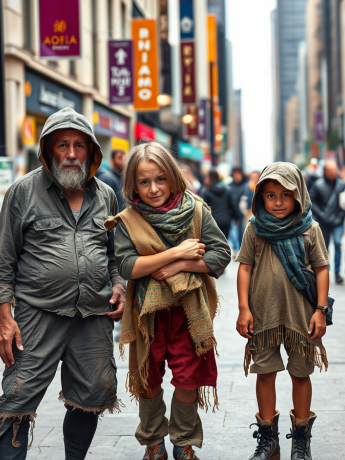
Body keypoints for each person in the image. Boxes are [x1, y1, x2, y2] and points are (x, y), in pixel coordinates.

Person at [0, 108, 126, 459]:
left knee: (91, 394)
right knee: (17, 398)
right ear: (48, 149)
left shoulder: (106, 195)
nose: (72, 153)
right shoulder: (23, 192)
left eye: (79, 145)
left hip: (92, 315)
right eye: (63, 145)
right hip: (35, 315)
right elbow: (2, 260)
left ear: (91, 151)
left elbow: (113, 253)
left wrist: (119, 283)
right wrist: (3, 318)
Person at [107, 142, 231, 460]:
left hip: (189, 312)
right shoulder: (129, 220)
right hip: (146, 313)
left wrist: (178, 266)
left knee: (188, 377)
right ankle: (153, 441)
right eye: (144, 181)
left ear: (173, 176)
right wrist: (178, 251)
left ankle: (183, 441)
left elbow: (220, 255)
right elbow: (128, 266)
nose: (153, 188)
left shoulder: (196, 209)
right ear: (133, 183)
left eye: (160, 179)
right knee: (148, 378)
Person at [236, 162, 329, 460]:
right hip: (263, 317)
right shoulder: (255, 228)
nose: (278, 202)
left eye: (286, 195)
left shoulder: (310, 229)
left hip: (302, 319)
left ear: (299, 196)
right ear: (260, 197)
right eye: (270, 195)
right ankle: (269, 440)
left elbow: (322, 269)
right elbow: (245, 268)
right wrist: (243, 308)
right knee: (265, 373)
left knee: (301, 374)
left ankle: (301, 440)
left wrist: (321, 310)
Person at [309, 160, 345, 284]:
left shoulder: (342, 184)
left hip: (338, 222)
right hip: (323, 222)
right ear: (325, 171)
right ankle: (326, 271)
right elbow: (311, 202)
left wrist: (341, 216)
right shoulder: (318, 185)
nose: (334, 172)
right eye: (331, 170)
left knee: (337, 243)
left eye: (335, 169)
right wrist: (321, 215)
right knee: (324, 248)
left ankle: (337, 272)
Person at [201, 168, 241, 239]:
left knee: (215, 243)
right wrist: (237, 217)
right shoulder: (227, 189)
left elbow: (203, 207)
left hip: (213, 221)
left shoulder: (207, 191)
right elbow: (232, 205)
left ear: (209, 177)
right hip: (226, 221)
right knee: (225, 242)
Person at [228, 167, 249, 257]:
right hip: (231, 213)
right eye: (234, 174)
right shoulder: (229, 186)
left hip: (242, 213)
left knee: (242, 232)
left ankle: (241, 251)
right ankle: (236, 249)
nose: (236, 176)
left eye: (238, 174)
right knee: (233, 233)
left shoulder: (246, 185)